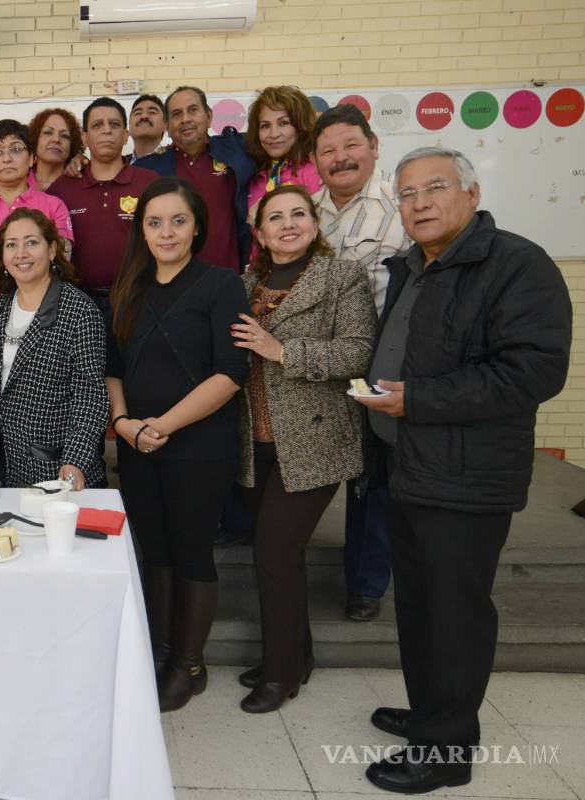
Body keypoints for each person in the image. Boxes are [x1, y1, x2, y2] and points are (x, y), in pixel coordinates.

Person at [354, 148, 572, 795]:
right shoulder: (413, 266)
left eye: (435, 187)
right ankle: (431, 717)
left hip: (467, 478)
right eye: (408, 193)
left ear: (472, 194)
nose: (419, 202)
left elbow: (533, 371)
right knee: (419, 606)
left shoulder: (516, 265)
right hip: (410, 467)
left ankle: (447, 752)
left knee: (455, 614)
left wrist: (414, 401)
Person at [106, 178, 250, 712]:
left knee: (191, 551)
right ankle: (162, 651)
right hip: (138, 444)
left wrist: (160, 424)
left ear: (197, 227)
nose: (166, 232)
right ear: (141, 230)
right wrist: (124, 425)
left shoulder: (221, 284)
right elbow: (112, 369)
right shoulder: (128, 287)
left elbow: (230, 373)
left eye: (178, 221)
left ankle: (188, 663)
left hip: (199, 445)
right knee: (155, 552)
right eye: (154, 222)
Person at [230, 184, 373, 713]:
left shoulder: (342, 276)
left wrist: (281, 349)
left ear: (314, 225)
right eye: (275, 217)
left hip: (313, 440)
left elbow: (358, 353)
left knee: (274, 553)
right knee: (278, 556)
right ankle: (297, 655)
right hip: (253, 443)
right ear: (260, 233)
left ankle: (281, 673)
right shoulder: (246, 284)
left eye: (298, 214)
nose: (288, 224)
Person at [311, 103, 409, 623]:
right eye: (328, 151)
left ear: (374, 147)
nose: (340, 158)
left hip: (377, 364)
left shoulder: (403, 208)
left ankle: (366, 584)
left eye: (351, 146)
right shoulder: (305, 209)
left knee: (372, 477)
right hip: (314, 363)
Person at [0, 208, 107, 489]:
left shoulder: (80, 311)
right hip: (2, 463)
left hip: (56, 470)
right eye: (11, 245)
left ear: (52, 250)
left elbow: (90, 396)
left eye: (32, 242)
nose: (21, 253)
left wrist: (76, 459)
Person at [0, 119, 74, 389]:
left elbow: (62, 257)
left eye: (16, 149)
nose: (6, 158)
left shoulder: (52, 205)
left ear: (31, 157)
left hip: (38, 327)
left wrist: (23, 313)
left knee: (27, 409)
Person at [48, 97, 158, 321]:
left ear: (126, 135)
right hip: (78, 303)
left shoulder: (151, 183)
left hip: (138, 300)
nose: (107, 131)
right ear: (85, 137)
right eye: (98, 125)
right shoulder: (62, 187)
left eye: (114, 125)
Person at [136, 86, 255, 271]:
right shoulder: (148, 168)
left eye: (193, 110)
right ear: (166, 126)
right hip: (173, 283)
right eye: (176, 114)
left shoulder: (236, 149)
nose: (185, 119)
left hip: (230, 278)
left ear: (208, 117)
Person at [245, 86, 322, 215]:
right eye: (265, 125)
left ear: (300, 126)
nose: (273, 134)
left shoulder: (314, 171)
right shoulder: (252, 174)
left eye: (283, 123)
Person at [27, 107, 85, 191]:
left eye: (64, 135)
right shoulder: (19, 179)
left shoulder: (81, 181)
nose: (56, 139)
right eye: (48, 133)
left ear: (72, 145)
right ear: (35, 139)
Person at [128, 94, 167, 161]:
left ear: (165, 125)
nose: (144, 116)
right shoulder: (119, 166)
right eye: (138, 113)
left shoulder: (178, 164)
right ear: (129, 126)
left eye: (152, 112)